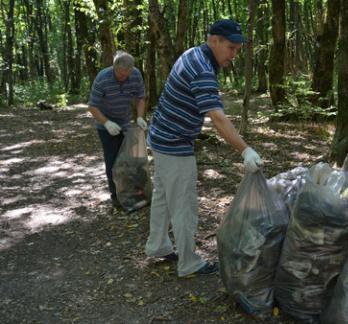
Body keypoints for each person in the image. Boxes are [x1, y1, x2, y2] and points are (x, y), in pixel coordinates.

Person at [145, 19, 263, 277]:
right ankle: (188, 262)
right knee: (184, 204)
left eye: (238, 49)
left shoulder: (196, 54)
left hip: (162, 138)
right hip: (174, 144)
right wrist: (245, 150)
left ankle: (157, 245)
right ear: (214, 41)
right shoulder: (202, 68)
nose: (234, 54)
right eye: (231, 47)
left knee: (163, 196)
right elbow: (218, 117)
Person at [88, 51, 147, 207]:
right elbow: (92, 106)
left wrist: (140, 117)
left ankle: (135, 192)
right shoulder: (103, 78)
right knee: (112, 160)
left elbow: (140, 97)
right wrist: (107, 123)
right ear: (114, 68)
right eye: (121, 75)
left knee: (134, 158)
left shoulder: (135, 75)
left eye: (127, 74)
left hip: (125, 122)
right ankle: (116, 196)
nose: (124, 78)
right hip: (105, 124)